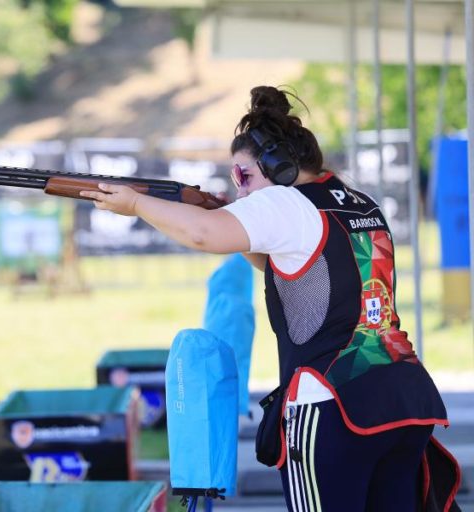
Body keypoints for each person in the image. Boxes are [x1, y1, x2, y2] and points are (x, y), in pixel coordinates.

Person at [80, 86, 456, 511]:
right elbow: (300, 272)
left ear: (276, 167)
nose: (240, 190)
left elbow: (203, 235)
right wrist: (233, 224)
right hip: (403, 398)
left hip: (333, 402)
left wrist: (135, 203)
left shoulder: (285, 201)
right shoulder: (356, 202)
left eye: (243, 176)